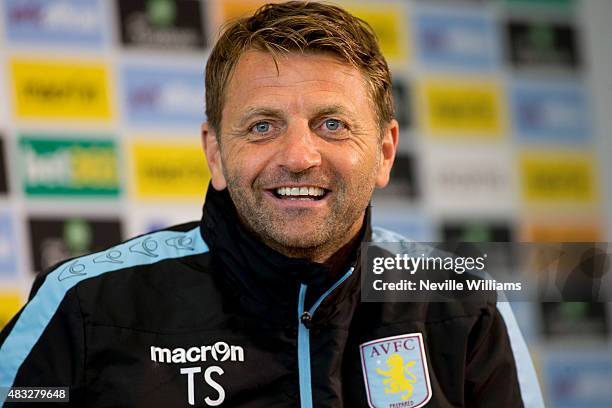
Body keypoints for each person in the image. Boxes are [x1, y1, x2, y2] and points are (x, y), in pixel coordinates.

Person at [0, 2, 543, 407]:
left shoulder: (461, 303)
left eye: (332, 125)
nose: (300, 156)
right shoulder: (85, 303)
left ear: (383, 153)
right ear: (215, 153)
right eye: (263, 126)